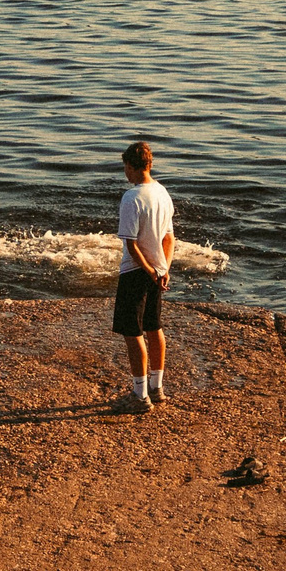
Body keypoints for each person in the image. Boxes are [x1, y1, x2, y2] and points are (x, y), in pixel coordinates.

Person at [113, 140, 175, 414]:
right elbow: (169, 238)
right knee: (154, 326)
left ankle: (140, 396)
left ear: (131, 166)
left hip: (135, 272)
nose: (125, 173)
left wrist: (149, 271)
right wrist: (163, 269)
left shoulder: (132, 197)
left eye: (125, 167)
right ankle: (157, 387)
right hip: (158, 271)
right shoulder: (162, 192)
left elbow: (131, 245)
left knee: (133, 332)